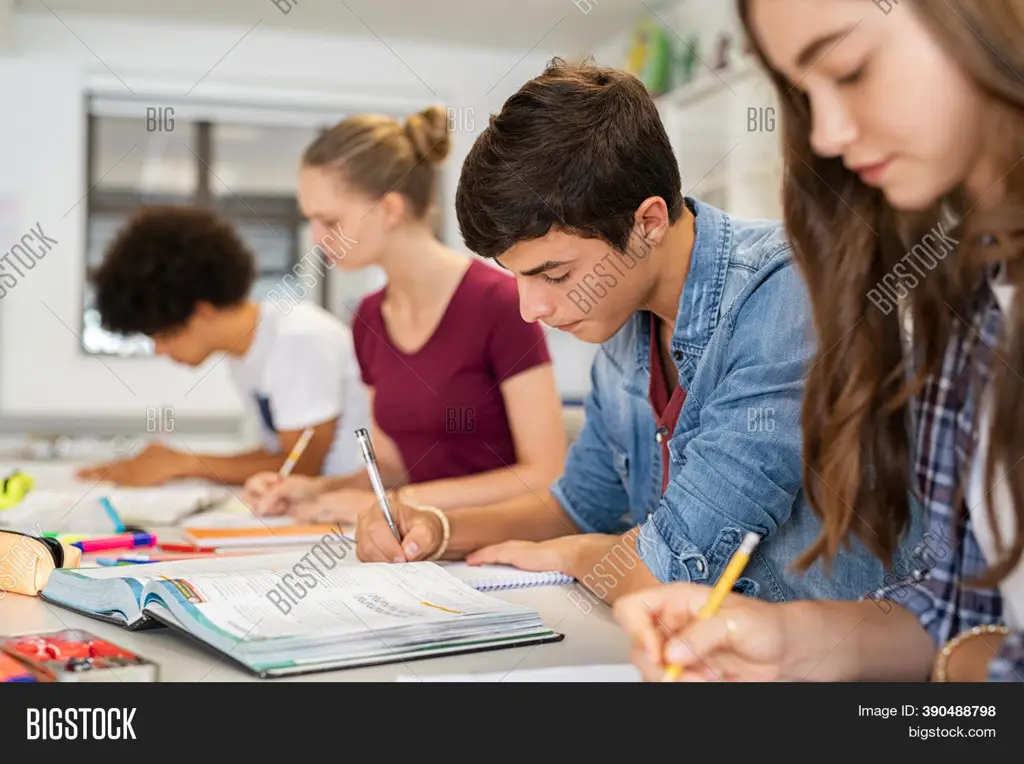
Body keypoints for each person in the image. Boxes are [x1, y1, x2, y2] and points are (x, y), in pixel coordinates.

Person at [353, 61, 915, 605]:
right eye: (518, 277)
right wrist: (438, 527)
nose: (530, 308)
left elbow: (675, 566)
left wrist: (575, 557)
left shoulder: (786, 293)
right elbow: (578, 506)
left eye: (554, 274)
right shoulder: (625, 318)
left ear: (646, 222)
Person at [614, 0, 1024, 682]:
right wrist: (792, 639)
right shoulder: (973, 295)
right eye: (804, 92)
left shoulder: (773, 289)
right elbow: (960, 603)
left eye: (851, 68)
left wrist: (973, 670)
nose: (828, 132)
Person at [242, 106, 566, 524]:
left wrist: (397, 504)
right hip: (419, 550)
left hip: (502, 547)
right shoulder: (369, 318)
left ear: (389, 210)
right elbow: (394, 469)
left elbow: (544, 475)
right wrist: (317, 489)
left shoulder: (500, 303)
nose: (316, 237)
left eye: (329, 220)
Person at [77, 205, 371, 486]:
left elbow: (299, 467)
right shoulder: (245, 355)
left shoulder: (298, 338)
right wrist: (175, 463)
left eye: (163, 337)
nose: (159, 351)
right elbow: (277, 455)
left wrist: (182, 464)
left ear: (201, 312)